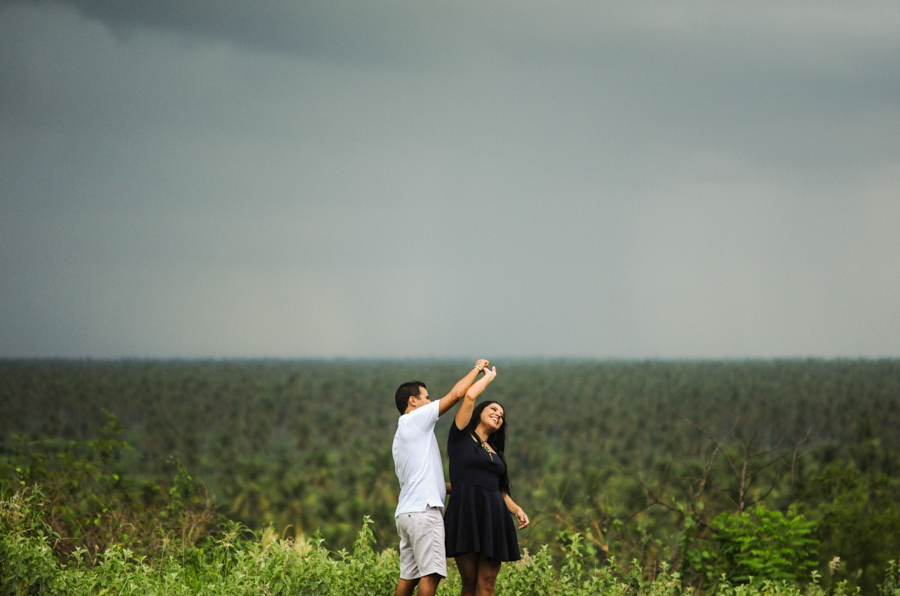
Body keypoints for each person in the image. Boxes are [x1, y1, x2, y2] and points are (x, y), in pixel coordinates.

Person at [392, 359, 494, 596]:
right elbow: (457, 394)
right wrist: (477, 369)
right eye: (426, 397)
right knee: (432, 574)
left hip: (407, 514)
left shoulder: (402, 434)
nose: (430, 401)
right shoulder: (416, 419)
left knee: (409, 578)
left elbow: (425, 480)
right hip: (424, 512)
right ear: (413, 401)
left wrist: (460, 487)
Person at [444, 367, 529, 596]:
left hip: (494, 517)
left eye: (501, 415)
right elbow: (469, 395)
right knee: (469, 582)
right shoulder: (461, 436)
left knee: (488, 584)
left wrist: (516, 509)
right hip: (467, 513)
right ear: (479, 412)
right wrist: (488, 377)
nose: (498, 415)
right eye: (493, 409)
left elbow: (496, 488)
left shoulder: (495, 451)